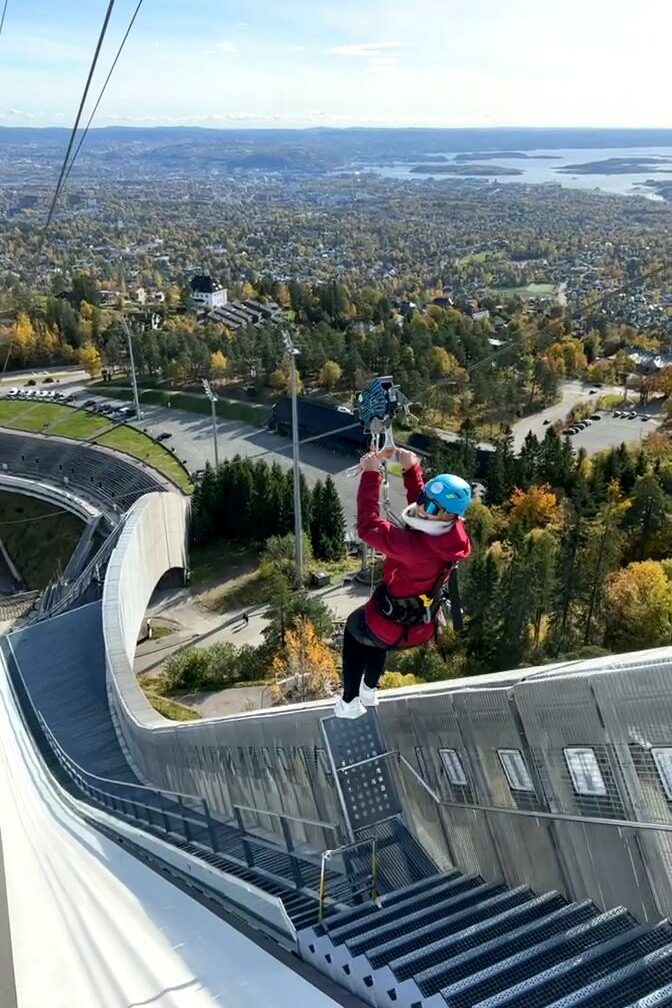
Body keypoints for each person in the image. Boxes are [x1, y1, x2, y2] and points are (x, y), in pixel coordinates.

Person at [334, 447, 472, 719]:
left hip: (392, 620)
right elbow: (423, 513)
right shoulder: (451, 538)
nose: (421, 506)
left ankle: (349, 703)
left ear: (450, 516)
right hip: (417, 623)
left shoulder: (415, 549)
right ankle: (369, 691)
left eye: (431, 506)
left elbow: (368, 527)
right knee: (376, 640)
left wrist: (371, 474)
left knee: (355, 631)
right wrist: (412, 470)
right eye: (423, 498)